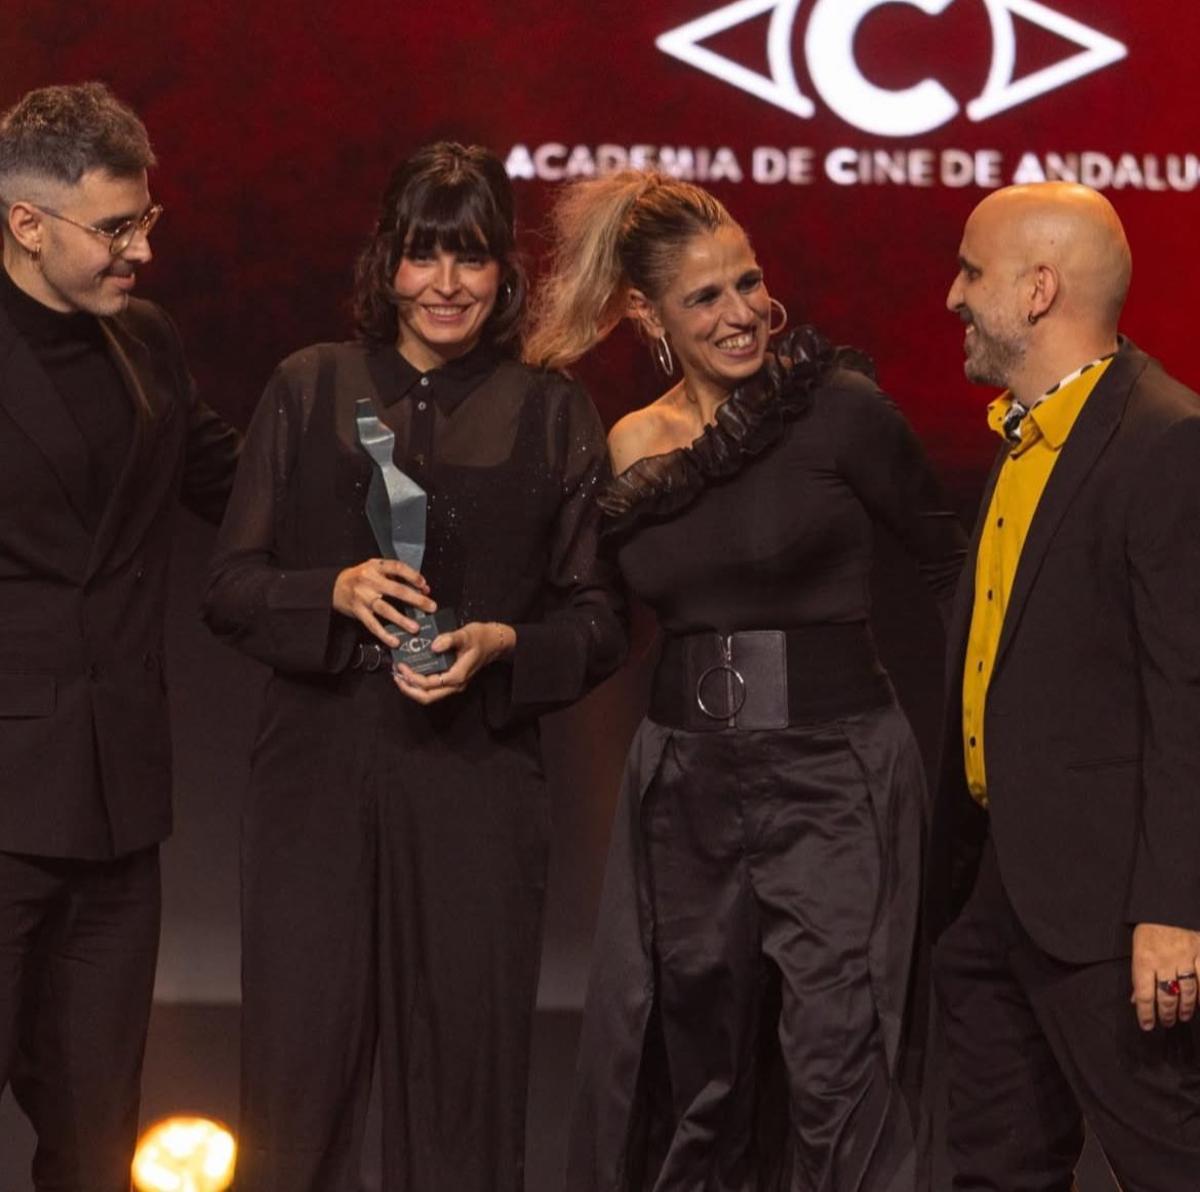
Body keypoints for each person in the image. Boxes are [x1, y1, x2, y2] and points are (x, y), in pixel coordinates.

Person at [524, 172, 966, 1191]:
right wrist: (504, 647)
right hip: (686, 787)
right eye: (706, 298)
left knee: (840, 1066)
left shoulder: (839, 410)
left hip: (836, 772)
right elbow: (595, 620)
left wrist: (984, 742)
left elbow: (949, 568)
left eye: (749, 283)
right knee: (698, 1074)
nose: (741, 315)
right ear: (650, 314)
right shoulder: (631, 444)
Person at [203, 141, 625, 1192]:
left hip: (476, 786)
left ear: (503, 271)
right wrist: (330, 592)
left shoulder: (551, 410)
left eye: (472, 258)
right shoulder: (310, 387)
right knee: (295, 1092)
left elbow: (599, 618)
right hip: (317, 779)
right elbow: (229, 586)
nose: (447, 285)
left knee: (468, 1101)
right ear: (386, 260)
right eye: (425, 256)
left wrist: (506, 647)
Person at [929, 181, 1200, 1188]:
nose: (954, 296)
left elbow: (1191, 693)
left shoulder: (1164, 439)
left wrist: (1176, 908)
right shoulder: (1026, 433)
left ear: (1038, 290)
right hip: (998, 891)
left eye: (971, 270)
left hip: (1113, 914)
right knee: (997, 1170)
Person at [0, 82, 240, 1191]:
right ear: (26, 223)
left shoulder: (146, 341)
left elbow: (231, 486)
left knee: (98, 1143)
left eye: (149, 221)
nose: (139, 250)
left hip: (118, 811)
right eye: (113, 230)